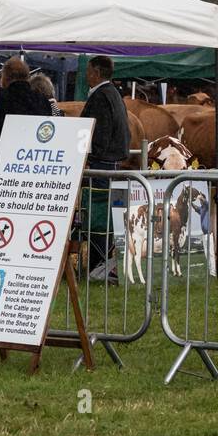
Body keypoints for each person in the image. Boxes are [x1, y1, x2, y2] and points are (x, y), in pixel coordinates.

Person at [79, 55, 130, 278]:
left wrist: (90, 157)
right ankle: (104, 263)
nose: (86, 75)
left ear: (96, 73)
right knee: (109, 216)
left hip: (102, 165)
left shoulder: (100, 96)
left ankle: (97, 265)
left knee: (98, 216)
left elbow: (100, 133)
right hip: (115, 164)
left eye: (88, 71)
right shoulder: (114, 93)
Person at [0, 56, 53, 148]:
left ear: (5, 77)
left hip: (4, 151)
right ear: (28, 76)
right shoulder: (42, 99)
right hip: (34, 152)